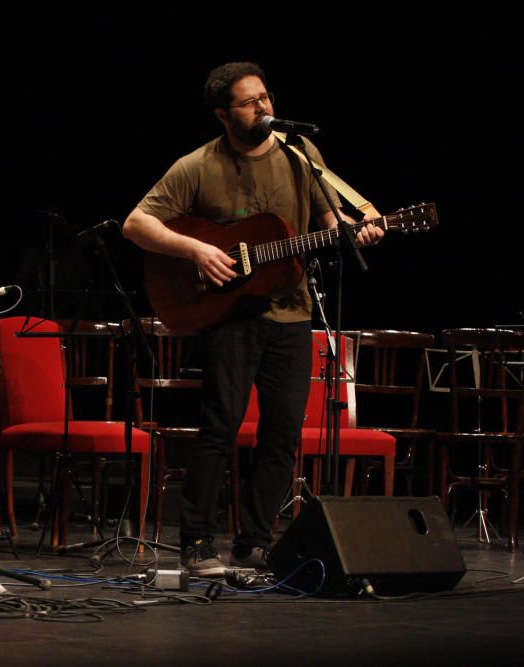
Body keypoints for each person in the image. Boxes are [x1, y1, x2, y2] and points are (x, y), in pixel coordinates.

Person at [123, 62, 384, 576]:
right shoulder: (198, 165)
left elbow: (325, 213)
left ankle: (254, 542)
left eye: (266, 97)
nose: (265, 107)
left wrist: (350, 228)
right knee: (219, 427)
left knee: (283, 432)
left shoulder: (300, 153)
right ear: (224, 114)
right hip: (230, 315)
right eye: (250, 102)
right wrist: (197, 251)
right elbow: (137, 223)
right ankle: (197, 542)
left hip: (293, 312)